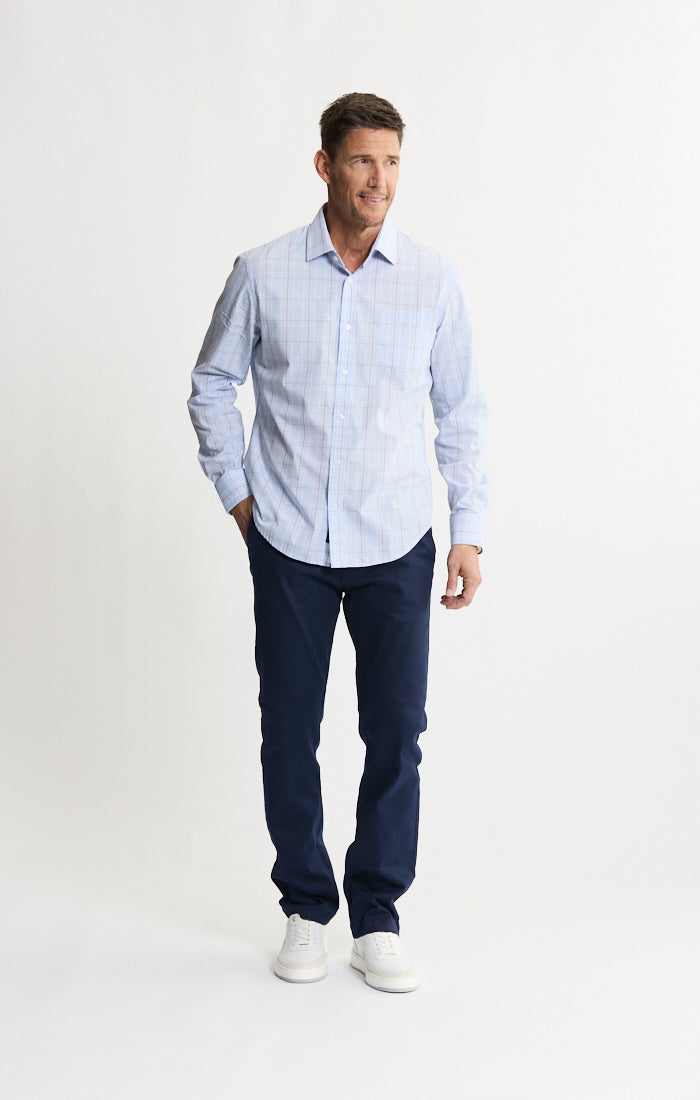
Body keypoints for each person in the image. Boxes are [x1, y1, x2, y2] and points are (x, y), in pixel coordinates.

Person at [187, 92, 488, 993]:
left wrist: (469, 532)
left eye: (391, 162)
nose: (379, 180)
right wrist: (242, 501)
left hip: (396, 541)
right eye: (362, 161)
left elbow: (462, 413)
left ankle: (379, 916)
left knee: (397, 732)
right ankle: (305, 908)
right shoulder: (263, 271)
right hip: (288, 543)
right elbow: (211, 384)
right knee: (289, 729)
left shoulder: (433, 280)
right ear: (325, 166)